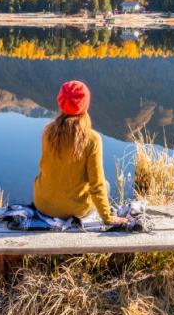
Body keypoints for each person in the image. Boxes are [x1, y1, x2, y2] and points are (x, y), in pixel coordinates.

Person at [33, 80, 129, 226]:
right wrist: (107, 218)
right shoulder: (92, 139)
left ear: (61, 102)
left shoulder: (48, 132)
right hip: (76, 209)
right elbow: (96, 184)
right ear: (85, 104)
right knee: (106, 185)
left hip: (43, 205)